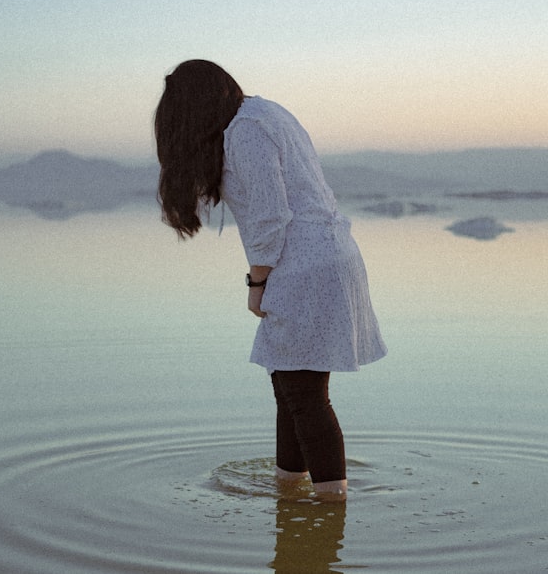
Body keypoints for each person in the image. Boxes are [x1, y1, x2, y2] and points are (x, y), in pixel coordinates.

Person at [154, 59, 387, 501]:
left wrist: (256, 284)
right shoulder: (264, 113)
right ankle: (290, 494)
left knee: (304, 395)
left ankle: (330, 511)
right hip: (319, 258)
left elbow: (270, 215)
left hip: (305, 266)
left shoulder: (247, 131)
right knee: (290, 390)